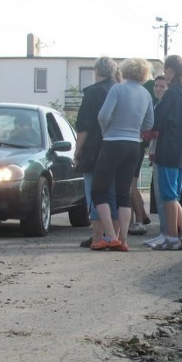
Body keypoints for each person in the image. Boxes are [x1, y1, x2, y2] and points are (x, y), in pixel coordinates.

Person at [91, 58, 154, 251]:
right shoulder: (146, 94)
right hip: (134, 145)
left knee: (99, 190)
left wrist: (106, 130)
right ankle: (124, 240)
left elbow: (103, 115)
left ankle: (110, 236)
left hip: (112, 142)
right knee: (123, 193)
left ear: (125, 71)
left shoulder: (117, 89)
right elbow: (149, 123)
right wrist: (136, 131)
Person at [146, 55, 182, 250]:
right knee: (174, 195)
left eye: (165, 69)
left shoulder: (172, 94)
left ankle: (171, 237)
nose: (164, 74)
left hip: (168, 149)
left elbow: (155, 120)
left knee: (168, 195)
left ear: (171, 70)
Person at [73, 57, 118, 248]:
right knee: (114, 193)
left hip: (94, 148)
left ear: (96, 71)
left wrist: (77, 149)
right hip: (118, 147)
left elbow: (84, 126)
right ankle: (114, 235)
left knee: (94, 192)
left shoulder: (92, 93)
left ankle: (97, 235)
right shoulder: (119, 90)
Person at [142, 74, 169, 247]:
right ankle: (165, 232)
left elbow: (158, 129)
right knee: (162, 196)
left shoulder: (163, 107)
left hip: (162, 153)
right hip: (157, 152)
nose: (158, 89)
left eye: (162, 86)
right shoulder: (159, 105)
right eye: (156, 86)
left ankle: (166, 232)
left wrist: (146, 133)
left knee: (163, 196)